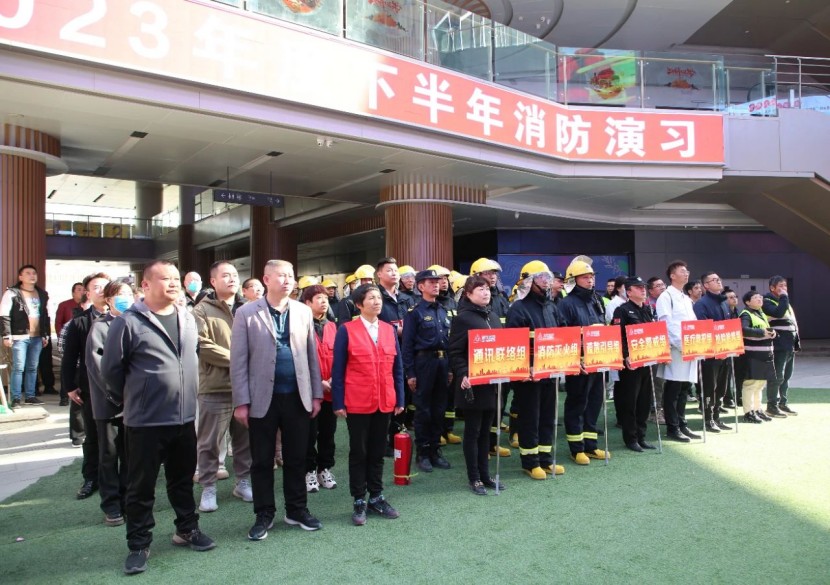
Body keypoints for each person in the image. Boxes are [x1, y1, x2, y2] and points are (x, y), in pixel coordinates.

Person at [102, 260, 215, 575]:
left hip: (184, 418)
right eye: (166, 278)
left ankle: (187, 528)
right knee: (141, 486)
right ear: (146, 285)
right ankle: (139, 543)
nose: (174, 283)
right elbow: (111, 371)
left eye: (176, 278)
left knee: (182, 480)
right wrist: (134, 399)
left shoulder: (187, 317)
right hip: (145, 422)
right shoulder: (128, 322)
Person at [231, 259, 324, 541]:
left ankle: (297, 510)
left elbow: (312, 356)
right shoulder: (246, 313)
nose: (287, 281)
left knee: (297, 457)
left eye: (290, 276)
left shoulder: (303, 311)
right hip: (262, 398)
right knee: (262, 460)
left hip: (297, 396)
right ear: (266, 279)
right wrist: (241, 401)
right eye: (281, 276)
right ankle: (264, 513)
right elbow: (238, 361)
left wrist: (316, 394)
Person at [331, 284, 404, 525]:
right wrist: (338, 401)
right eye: (371, 298)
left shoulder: (388, 330)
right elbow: (338, 369)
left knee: (377, 451)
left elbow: (398, 368)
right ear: (359, 305)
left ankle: (377, 496)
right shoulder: (347, 330)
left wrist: (400, 398)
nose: (376, 301)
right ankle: (359, 499)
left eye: (378, 297)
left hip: (385, 400)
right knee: (359, 452)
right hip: (357, 401)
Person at [192, 261, 252, 513]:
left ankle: (243, 481)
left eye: (235, 275)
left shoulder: (248, 308)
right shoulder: (201, 310)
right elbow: (202, 345)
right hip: (215, 386)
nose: (232, 279)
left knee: (245, 440)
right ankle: (208, 486)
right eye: (225, 275)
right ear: (213, 281)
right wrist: (239, 358)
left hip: (245, 387)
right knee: (209, 442)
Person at [507, 260, 566, 477]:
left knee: (548, 417)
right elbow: (513, 344)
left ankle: (546, 459)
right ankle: (530, 462)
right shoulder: (518, 308)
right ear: (529, 281)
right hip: (529, 376)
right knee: (530, 418)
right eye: (541, 278)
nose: (547, 282)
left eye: (548, 277)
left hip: (550, 372)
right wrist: (526, 368)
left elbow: (562, 334)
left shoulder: (551, 306)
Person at [449, 275, 507, 495]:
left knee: (486, 432)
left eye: (487, 289)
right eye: (480, 289)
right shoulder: (463, 318)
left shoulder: (493, 316)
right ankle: (474, 478)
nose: (485, 293)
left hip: (492, 383)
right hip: (472, 384)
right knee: (473, 432)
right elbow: (455, 352)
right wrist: (463, 373)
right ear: (468, 294)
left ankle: (485, 475)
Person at [85, 280, 134, 526]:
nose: (125, 298)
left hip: (134, 405)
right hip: (109, 405)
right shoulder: (100, 327)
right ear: (109, 300)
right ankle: (111, 505)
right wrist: (118, 394)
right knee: (109, 455)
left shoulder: (136, 323)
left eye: (129, 293)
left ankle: (128, 500)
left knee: (130, 456)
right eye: (119, 294)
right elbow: (98, 367)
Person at [62, 272, 111, 501]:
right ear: (88, 293)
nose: (102, 290)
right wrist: (70, 386)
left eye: (105, 286)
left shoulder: (125, 317)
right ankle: (91, 477)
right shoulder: (80, 322)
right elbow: (70, 357)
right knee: (92, 435)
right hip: (91, 386)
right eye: (96, 287)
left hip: (122, 387)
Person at [558, 256, 609, 465]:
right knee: (577, 404)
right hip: (579, 364)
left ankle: (591, 445)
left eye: (591, 277)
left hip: (597, 361)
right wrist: (573, 360)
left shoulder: (596, 300)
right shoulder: (566, 303)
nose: (590, 280)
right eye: (585, 277)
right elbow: (564, 335)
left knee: (595, 402)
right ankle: (576, 449)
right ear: (573, 279)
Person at [402, 269, 452, 473]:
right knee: (423, 410)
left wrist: (450, 368)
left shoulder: (443, 310)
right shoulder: (414, 312)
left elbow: (449, 341)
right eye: (431, 282)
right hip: (424, 362)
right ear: (420, 286)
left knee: (439, 408)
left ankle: (435, 450)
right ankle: (422, 453)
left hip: (442, 362)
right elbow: (407, 346)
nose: (436, 285)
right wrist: (410, 373)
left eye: (437, 281)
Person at [656, 260, 701, 443]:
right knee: (673, 389)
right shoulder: (666, 297)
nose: (686, 273)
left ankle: (682, 423)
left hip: (690, 349)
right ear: (672, 276)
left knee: (684, 389)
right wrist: (682, 345)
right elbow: (666, 324)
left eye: (687, 270)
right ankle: (672, 427)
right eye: (682, 271)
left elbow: (692, 323)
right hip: (676, 349)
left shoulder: (685, 298)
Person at [611, 277, 657, 452]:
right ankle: (631, 438)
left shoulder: (647, 309)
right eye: (638, 288)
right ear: (629, 292)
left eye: (644, 287)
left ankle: (641, 436)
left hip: (646, 360)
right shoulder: (622, 310)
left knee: (645, 401)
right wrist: (625, 356)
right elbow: (616, 335)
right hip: (631, 363)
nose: (643, 290)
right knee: (630, 401)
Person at [301, 284, 338, 492]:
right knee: (308, 434)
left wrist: (333, 379)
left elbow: (340, 357)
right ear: (307, 303)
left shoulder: (332, 326)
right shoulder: (300, 326)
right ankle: (309, 470)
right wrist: (318, 383)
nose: (324, 301)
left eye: (325, 298)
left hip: (330, 392)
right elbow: (300, 360)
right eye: (318, 298)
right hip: (309, 391)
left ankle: (325, 468)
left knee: (328, 433)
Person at [0, 264, 50, 407]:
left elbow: (45, 315)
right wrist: (6, 335)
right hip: (19, 336)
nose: (32, 275)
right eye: (28, 273)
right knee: (18, 367)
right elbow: (4, 315)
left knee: (33, 368)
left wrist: (45, 334)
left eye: (34, 273)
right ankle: (16, 398)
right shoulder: (12, 293)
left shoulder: (42, 293)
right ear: (20, 277)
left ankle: (30, 396)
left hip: (37, 337)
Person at [693, 271, 732, 433]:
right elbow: (702, 328)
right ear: (706, 285)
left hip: (725, 351)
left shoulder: (724, 302)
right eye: (714, 280)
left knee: (722, 387)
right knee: (709, 387)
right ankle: (708, 418)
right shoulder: (701, 304)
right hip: (710, 354)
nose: (718, 281)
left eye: (718, 279)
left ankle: (716, 416)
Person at [762, 276, 799, 417]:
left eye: (785, 286)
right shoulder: (767, 301)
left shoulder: (784, 302)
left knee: (787, 376)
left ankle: (783, 403)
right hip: (778, 345)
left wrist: (796, 342)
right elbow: (778, 313)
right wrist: (784, 297)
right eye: (781, 286)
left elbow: (792, 323)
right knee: (777, 376)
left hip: (789, 345)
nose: (784, 288)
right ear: (772, 288)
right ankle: (772, 406)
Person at [739, 291, 778, 424]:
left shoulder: (760, 313)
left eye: (760, 297)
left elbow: (766, 331)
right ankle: (748, 412)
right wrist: (762, 332)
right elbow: (743, 330)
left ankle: (757, 410)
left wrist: (773, 333)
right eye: (755, 297)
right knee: (751, 384)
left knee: (760, 384)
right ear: (748, 302)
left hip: (764, 355)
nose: (759, 299)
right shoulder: (746, 314)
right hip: (753, 355)